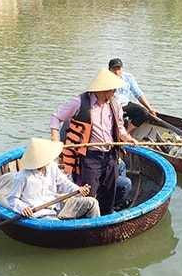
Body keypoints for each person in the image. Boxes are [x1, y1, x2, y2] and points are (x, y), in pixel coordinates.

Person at [49, 68, 139, 215]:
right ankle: (85, 219)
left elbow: (120, 128)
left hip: (110, 155)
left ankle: (106, 216)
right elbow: (56, 117)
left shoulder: (115, 104)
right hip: (90, 157)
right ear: (104, 90)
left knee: (109, 192)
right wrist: (54, 139)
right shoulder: (80, 102)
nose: (115, 93)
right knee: (88, 193)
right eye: (113, 90)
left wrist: (128, 139)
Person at [7, 138, 100, 219]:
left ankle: (96, 232)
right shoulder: (23, 176)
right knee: (58, 228)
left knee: (91, 203)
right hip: (40, 213)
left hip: (57, 205)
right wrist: (23, 208)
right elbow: (12, 199)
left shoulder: (52, 166)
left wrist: (78, 190)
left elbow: (63, 183)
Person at [59, 120, 132, 211]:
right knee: (126, 183)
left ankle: (115, 198)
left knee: (121, 165)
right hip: (84, 172)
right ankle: (111, 204)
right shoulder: (81, 128)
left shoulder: (74, 122)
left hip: (85, 164)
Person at [108, 58, 158, 132]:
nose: (117, 72)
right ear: (109, 70)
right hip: (111, 106)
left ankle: (127, 132)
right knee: (121, 121)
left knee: (144, 112)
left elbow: (138, 93)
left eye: (119, 69)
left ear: (122, 69)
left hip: (125, 104)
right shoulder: (105, 79)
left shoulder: (128, 77)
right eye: (114, 69)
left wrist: (150, 108)